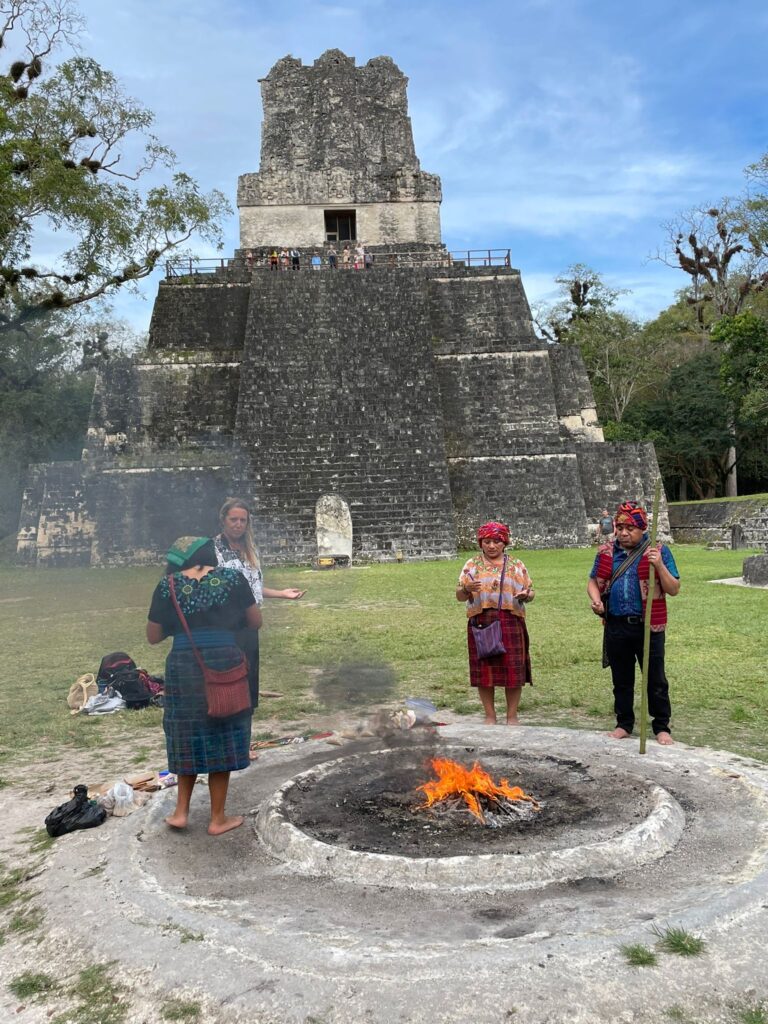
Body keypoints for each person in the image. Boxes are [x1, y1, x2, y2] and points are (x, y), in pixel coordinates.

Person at [146, 536, 262, 834]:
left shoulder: (167, 585)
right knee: (221, 729)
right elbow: (255, 621)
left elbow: (153, 636)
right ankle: (217, 818)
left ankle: (181, 811)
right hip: (224, 660)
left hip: (184, 663)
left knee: (186, 732)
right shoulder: (232, 578)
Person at [587, 501, 680, 745]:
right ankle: (624, 723)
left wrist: (658, 564)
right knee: (621, 678)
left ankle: (661, 726)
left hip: (649, 625)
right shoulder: (606, 552)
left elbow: (674, 588)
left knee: (655, 678)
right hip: (616, 624)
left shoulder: (658, 551)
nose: (624, 532)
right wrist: (596, 600)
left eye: (630, 528)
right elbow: (593, 582)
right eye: (620, 527)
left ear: (642, 529)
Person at [214, 498, 306, 709]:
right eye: (233, 519)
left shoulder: (250, 549)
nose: (238, 524)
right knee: (230, 674)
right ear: (223, 520)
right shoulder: (213, 550)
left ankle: (247, 714)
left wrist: (282, 593)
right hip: (226, 622)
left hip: (250, 620)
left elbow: (252, 587)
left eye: (242, 520)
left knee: (249, 673)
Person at [456, 521, 534, 725]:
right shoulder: (472, 565)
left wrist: (527, 595)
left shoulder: (516, 565)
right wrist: (466, 589)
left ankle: (512, 716)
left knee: (513, 669)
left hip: (511, 620)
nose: (492, 546)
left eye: (497, 542)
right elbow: (459, 596)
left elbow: (531, 590)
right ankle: (490, 716)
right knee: (485, 670)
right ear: (481, 542)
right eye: (487, 541)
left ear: (504, 543)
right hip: (481, 622)